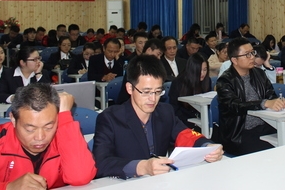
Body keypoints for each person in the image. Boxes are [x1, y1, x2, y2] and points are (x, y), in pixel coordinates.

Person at [93, 54, 223, 178]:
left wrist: (206, 146)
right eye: (146, 92)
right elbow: (101, 163)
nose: (153, 99)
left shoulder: (165, 112)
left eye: (158, 91)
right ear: (130, 88)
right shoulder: (110, 118)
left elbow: (184, 134)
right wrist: (142, 166)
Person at [0, 83, 97, 189]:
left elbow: (81, 177)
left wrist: (65, 116)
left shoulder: (64, 134)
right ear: (13, 119)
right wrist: (8, 187)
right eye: (30, 129)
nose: (40, 137)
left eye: (48, 127)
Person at [216, 37, 285, 156]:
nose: (252, 57)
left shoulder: (259, 73)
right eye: (247, 54)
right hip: (240, 132)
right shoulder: (225, 81)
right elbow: (235, 105)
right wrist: (263, 103)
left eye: (252, 53)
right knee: (273, 152)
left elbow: (270, 95)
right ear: (234, 60)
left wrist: (279, 101)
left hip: (266, 124)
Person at [169, 53, 212, 128]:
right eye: (199, 70)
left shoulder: (207, 80)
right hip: (184, 121)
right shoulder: (178, 83)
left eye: (205, 70)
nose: (202, 73)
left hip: (203, 119)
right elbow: (174, 109)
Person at [117, 39, 165, 105]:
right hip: (129, 102)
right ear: (149, 50)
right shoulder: (136, 64)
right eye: (158, 54)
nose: (159, 58)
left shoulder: (156, 65)